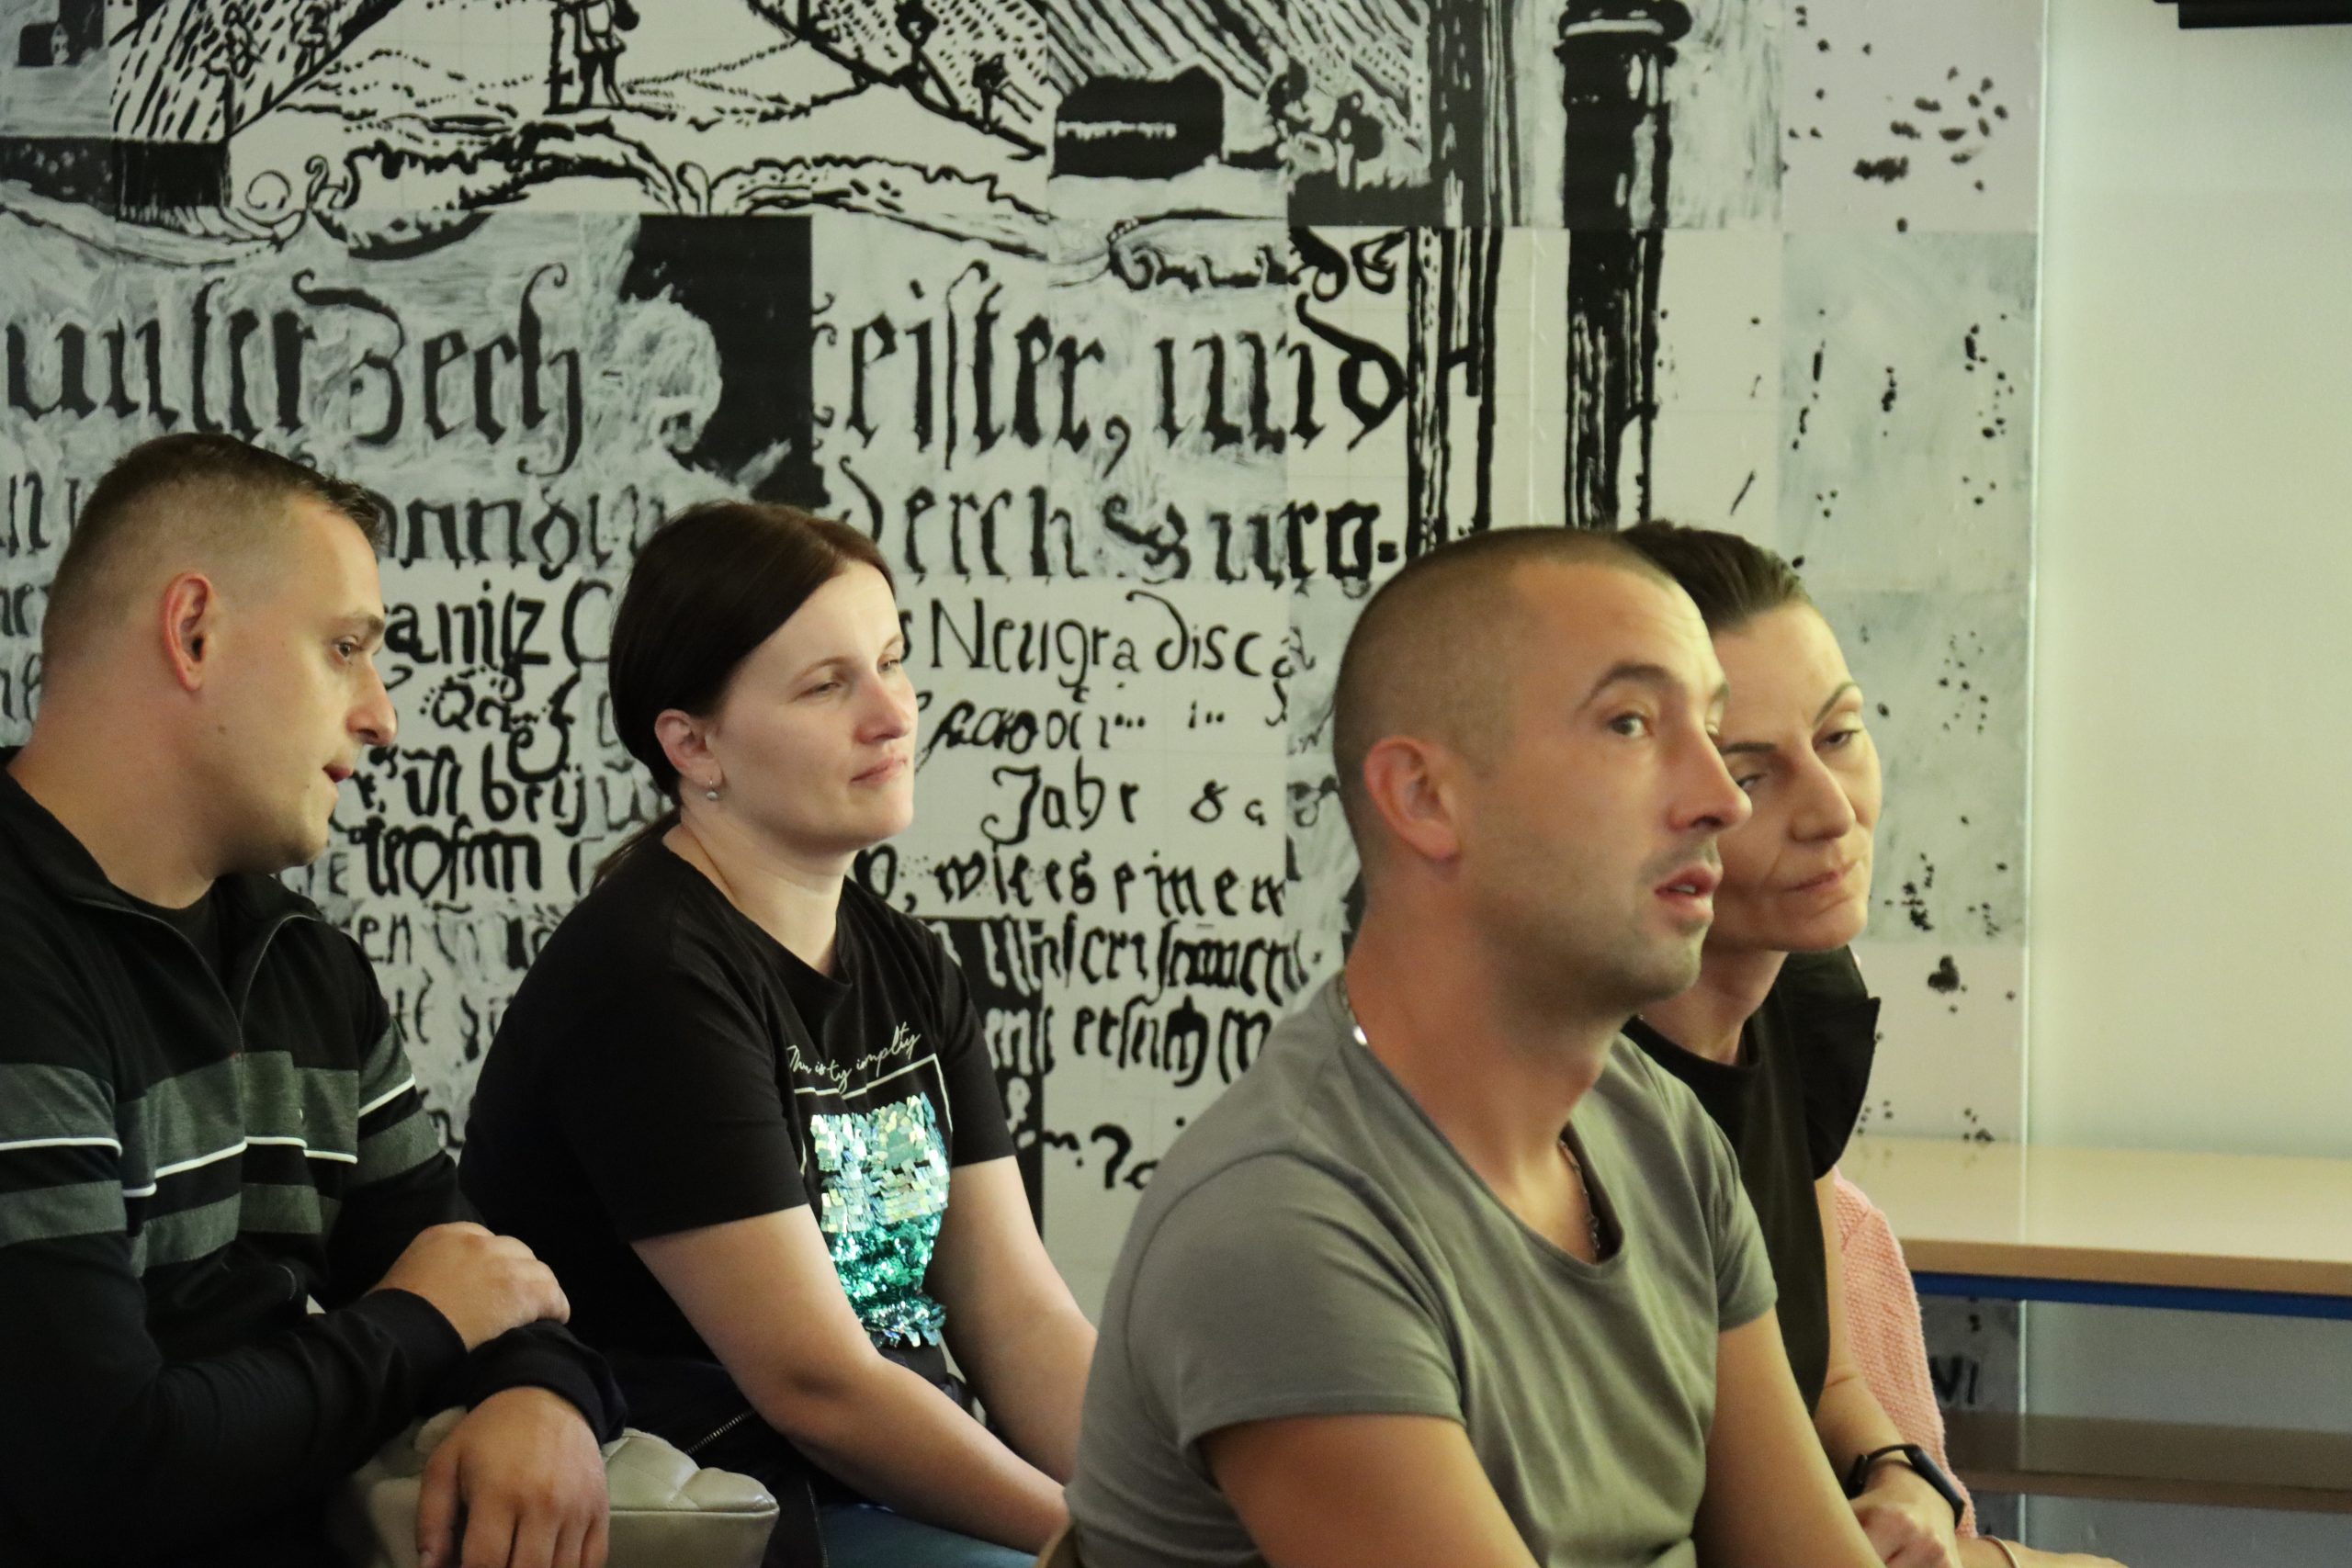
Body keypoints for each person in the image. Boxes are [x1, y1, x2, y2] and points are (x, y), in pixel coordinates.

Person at [1068, 527, 1892, 1568]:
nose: (1720, 799)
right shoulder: (1285, 1225)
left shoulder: (1664, 1133)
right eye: (1631, 724)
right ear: (1424, 797)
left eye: (1710, 728)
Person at [0, 434, 620, 1568]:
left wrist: (539, 1398)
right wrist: (421, 1325)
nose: (382, 717)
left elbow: (476, 1267)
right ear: (194, 632)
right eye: (345, 649)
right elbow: (100, 1468)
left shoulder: (304, 962)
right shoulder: (19, 955)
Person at [460, 502, 1095, 1568]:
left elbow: (1018, 1317)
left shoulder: (906, 962)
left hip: (888, 1496)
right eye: (826, 685)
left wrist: (1182, 1513)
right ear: (692, 743)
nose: (890, 715)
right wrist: (1098, 1542)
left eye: (890, 662)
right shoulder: (650, 974)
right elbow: (816, 1388)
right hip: (730, 1510)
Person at [1617, 521, 2121, 1568]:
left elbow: (1828, 1373)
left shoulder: (1801, 998)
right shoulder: (1585, 1097)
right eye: (1753, 775)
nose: (1831, 811)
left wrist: (1903, 1476)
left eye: (1840, 735)